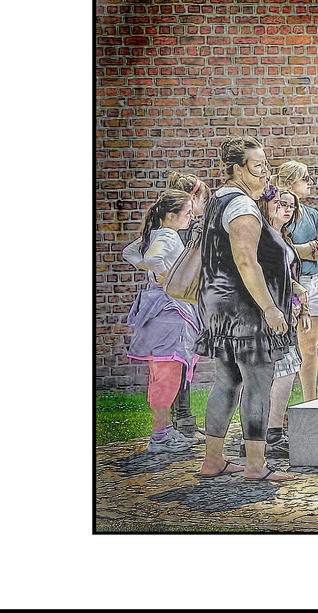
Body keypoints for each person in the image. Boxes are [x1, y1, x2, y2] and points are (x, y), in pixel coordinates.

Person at [196, 135, 296, 481]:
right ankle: (256, 465)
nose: (265, 173)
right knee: (257, 382)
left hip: (218, 306)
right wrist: (270, 307)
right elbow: (245, 260)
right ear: (237, 169)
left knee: (226, 381)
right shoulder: (241, 206)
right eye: (257, 167)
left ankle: (212, 461)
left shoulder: (218, 199)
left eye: (266, 165)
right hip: (245, 310)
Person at [122, 188, 197, 452]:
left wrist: (151, 272)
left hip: (158, 310)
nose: (190, 216)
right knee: (168, 372)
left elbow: (130, 254)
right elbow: (153, 258)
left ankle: (163, 431)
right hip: (170, 312)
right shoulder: (168, 234)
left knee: (161, 373)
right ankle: (160, 436)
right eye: (186, 212)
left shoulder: (153, 234)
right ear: (172, 215)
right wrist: (166, 275)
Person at [256, 183, 311, 459]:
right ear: (267, 205)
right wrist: (283, 304)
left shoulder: (281, 236)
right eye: (280, 204)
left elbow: (284, 276)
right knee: (282, 370)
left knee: (286, 368)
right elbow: (265, 275)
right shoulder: (263, 235)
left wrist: (299, 301)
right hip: (269, 312)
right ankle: (269, 434)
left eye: (291, 205)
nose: (287, 209)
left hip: (284, 309)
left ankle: (269, 432)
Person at [275, 160, 318, 402]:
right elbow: (281, 250)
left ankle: (310, 402)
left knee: (310, 347)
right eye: (305, 178)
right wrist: (308, 248)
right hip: (291, 282)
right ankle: (281, 408)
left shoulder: (312, 214)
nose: (310, 183)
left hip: (314, 281)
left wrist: (299, 249)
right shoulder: (280, 212)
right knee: (287, 347)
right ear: (289, 183)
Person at [164, 171, 211, 440]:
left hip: (180, 306)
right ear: (193, 199)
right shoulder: (188, 230)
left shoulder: (172, 228)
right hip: (179, 308)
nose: (203, 207)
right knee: (180, 366)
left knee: (183, 366)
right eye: (203, 200)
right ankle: (182, 423)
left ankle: (182, 421)